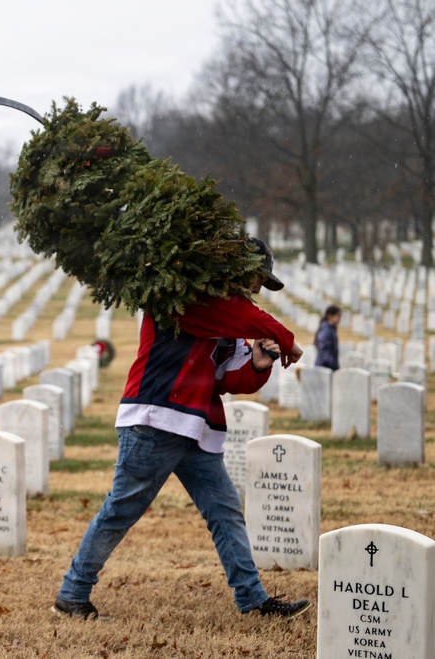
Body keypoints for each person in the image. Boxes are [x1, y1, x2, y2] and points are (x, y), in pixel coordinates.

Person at [52, 237, 311, 620]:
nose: (258, 289)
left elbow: (228, 378)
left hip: (194, 428)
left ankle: (253, 601)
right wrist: (288, 342)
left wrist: (259, 364)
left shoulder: (226, 317)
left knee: (225, 512)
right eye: (257, 278)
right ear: (237, 270)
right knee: (121, 509)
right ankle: (72, 594)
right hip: (155, 421)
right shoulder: (186, 299)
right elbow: (242, 314)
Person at [313, 305, 341, 370]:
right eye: (338, 316)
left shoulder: (331, 328)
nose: (339, 319)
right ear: (330, 316)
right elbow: (323, 349)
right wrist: (333, 365)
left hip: (328, 366)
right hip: (324, 366)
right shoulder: (326, 330)